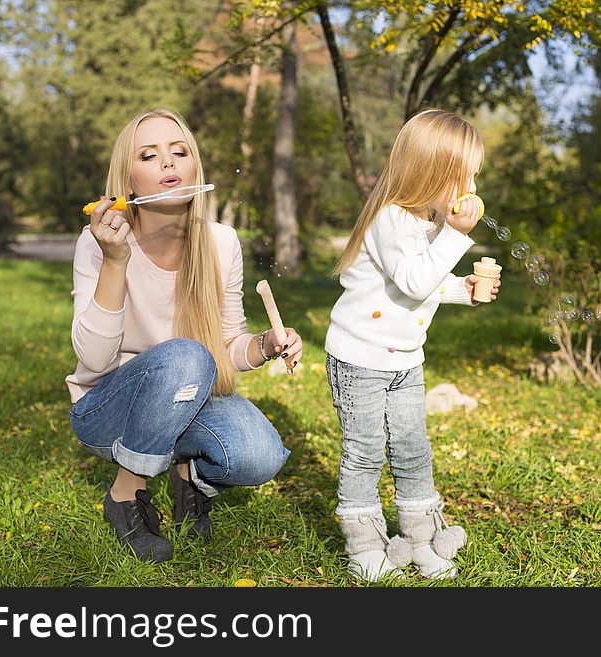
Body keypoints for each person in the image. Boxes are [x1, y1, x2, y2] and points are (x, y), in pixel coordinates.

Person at [65, 108, 303, 563]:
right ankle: (126, 493)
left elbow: (228, 345)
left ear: (195, 167)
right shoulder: (98, 241)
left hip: (188, 393)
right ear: (128, 182)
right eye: (150, 155)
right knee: (186, 357)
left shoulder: (221, 242)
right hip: (107, 411)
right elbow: (94, 360)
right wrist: (115, 261)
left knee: (259, 455)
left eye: (180, 152)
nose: (169, 163)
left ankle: (190, 478)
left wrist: (267, 345)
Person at [324, 109, 501, 581]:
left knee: (412, 447)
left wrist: (463, 288)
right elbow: (414, 277)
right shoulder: (390, 219)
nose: (471, 189)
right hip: (359, 357)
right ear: (431, 172)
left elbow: (419, 286)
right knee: (365, 450)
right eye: (464, 177)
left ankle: (421, 538)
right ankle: (365, 542)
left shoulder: (426, 224)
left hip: (405, 359)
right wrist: (457, 235)